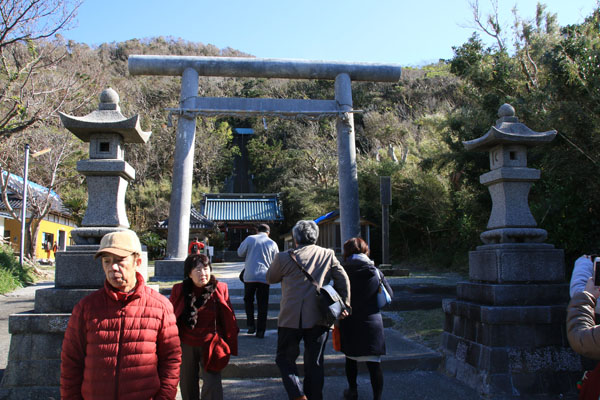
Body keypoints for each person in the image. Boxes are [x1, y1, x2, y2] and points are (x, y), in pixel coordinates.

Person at [60, 230, 181, 400]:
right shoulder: (86, 308)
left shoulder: (160, 307)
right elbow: (71, 362)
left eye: (120, 260)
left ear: (137, 262)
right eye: (107, 261)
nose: (112, 267)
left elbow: (171, 360)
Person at [266, 220, 351, 400]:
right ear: (315, 237)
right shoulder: (327, 254)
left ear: (295, 238)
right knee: (315, 363)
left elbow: (270, 278)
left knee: (284, 360)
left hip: (290, 317)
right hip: (319, 317)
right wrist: (345, 304)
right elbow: (343, 279)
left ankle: (297, 395)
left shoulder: (283, 257)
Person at [169, 254, 239, 400]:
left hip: (211, 343)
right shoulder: (179, 290)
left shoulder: (220, 288)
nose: (203, 273)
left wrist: (227, 339)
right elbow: (170, 315)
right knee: (187, 383)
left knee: (212, 385)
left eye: (206, 268)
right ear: (189, 273)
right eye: (198, 270)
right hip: (186, 342)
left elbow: (228, 316)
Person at [338, 237, 393, 400]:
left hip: (349, 320)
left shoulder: (342, 270)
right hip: (372, 320)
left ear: (346, 252)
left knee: (350, 359)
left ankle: (352, 391)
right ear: (365, 250)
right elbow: (390, 294)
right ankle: (377, 397)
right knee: (374, 363)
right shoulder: (375, 271)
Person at [237, 223, 279, 338]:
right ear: (268, 232)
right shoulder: (272, 243)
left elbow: (240, 253)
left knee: (248, 300)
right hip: (265, 277)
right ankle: (261, 330)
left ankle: (250, 325)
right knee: (263, 304)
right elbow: (276, 260)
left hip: (250, 276)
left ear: (257, 230)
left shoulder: (250, 239)